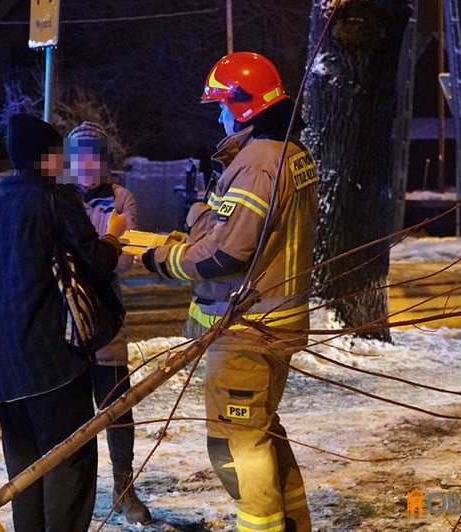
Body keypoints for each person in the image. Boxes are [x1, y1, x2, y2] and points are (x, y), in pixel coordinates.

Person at [141, 52, 318, 532]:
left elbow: (226, 255)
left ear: (243, 106)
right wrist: (201, 216)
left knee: (235, 443)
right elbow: (242, 232)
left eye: (222, 104)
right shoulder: (288, 155)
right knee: (261, 431)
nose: (218, 114)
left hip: (248, 327)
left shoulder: (259, 162)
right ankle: (293, 522)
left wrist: (159, 259)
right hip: (270, 321)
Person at [0, 113, 126, 531]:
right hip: (49, 363)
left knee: (26, 471)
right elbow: (97, 261)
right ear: (48, 158)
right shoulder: (55, 199)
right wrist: (114, 235)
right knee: (68, 461)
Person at [67, 121, 152, 524]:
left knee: (118, 406)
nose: (87, 163)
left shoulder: (121, 197)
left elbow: (122, 258)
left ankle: (124, 487)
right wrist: (102, 244)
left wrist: (93, 253)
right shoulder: (59, 197)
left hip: (107, 316)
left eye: (94, 155)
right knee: (70, 410)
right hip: (65, 320)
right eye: (79, 155)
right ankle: (74, 489)